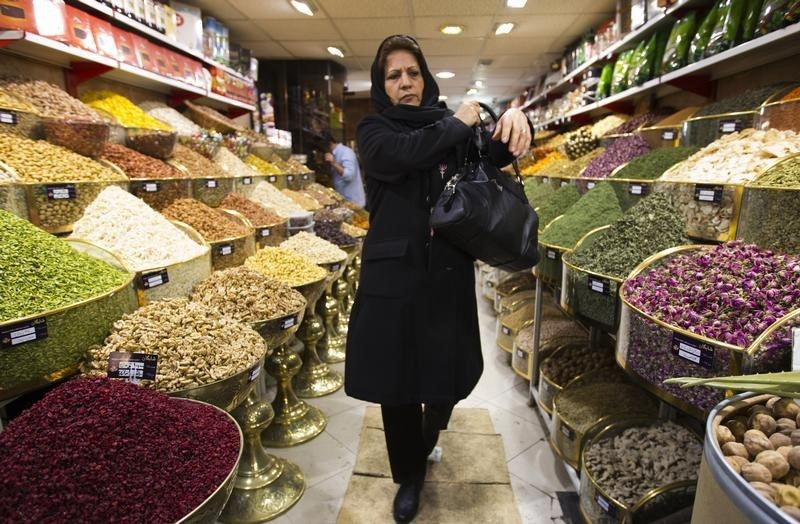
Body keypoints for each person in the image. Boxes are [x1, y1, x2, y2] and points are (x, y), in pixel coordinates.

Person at [344, 34, 533, 523]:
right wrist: (458, 121)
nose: (405, 83)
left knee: (445, 375)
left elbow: (490, 160)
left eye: (412, 73)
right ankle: (408, 475)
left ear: (424, 77)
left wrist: (512, 119)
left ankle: (431, 435)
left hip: (447, 271)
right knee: (397, 384)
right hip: (395, 275)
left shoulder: (456, 126)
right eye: (393, 75)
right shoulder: (374, 130)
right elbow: (405, 156)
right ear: (382, 85)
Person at [322, 130, 366, 207]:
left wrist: (334, 163)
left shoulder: (346, 152)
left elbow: (349, 175)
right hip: (344, 201)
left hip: (354, 203)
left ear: (329, 143)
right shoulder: (333, 153)